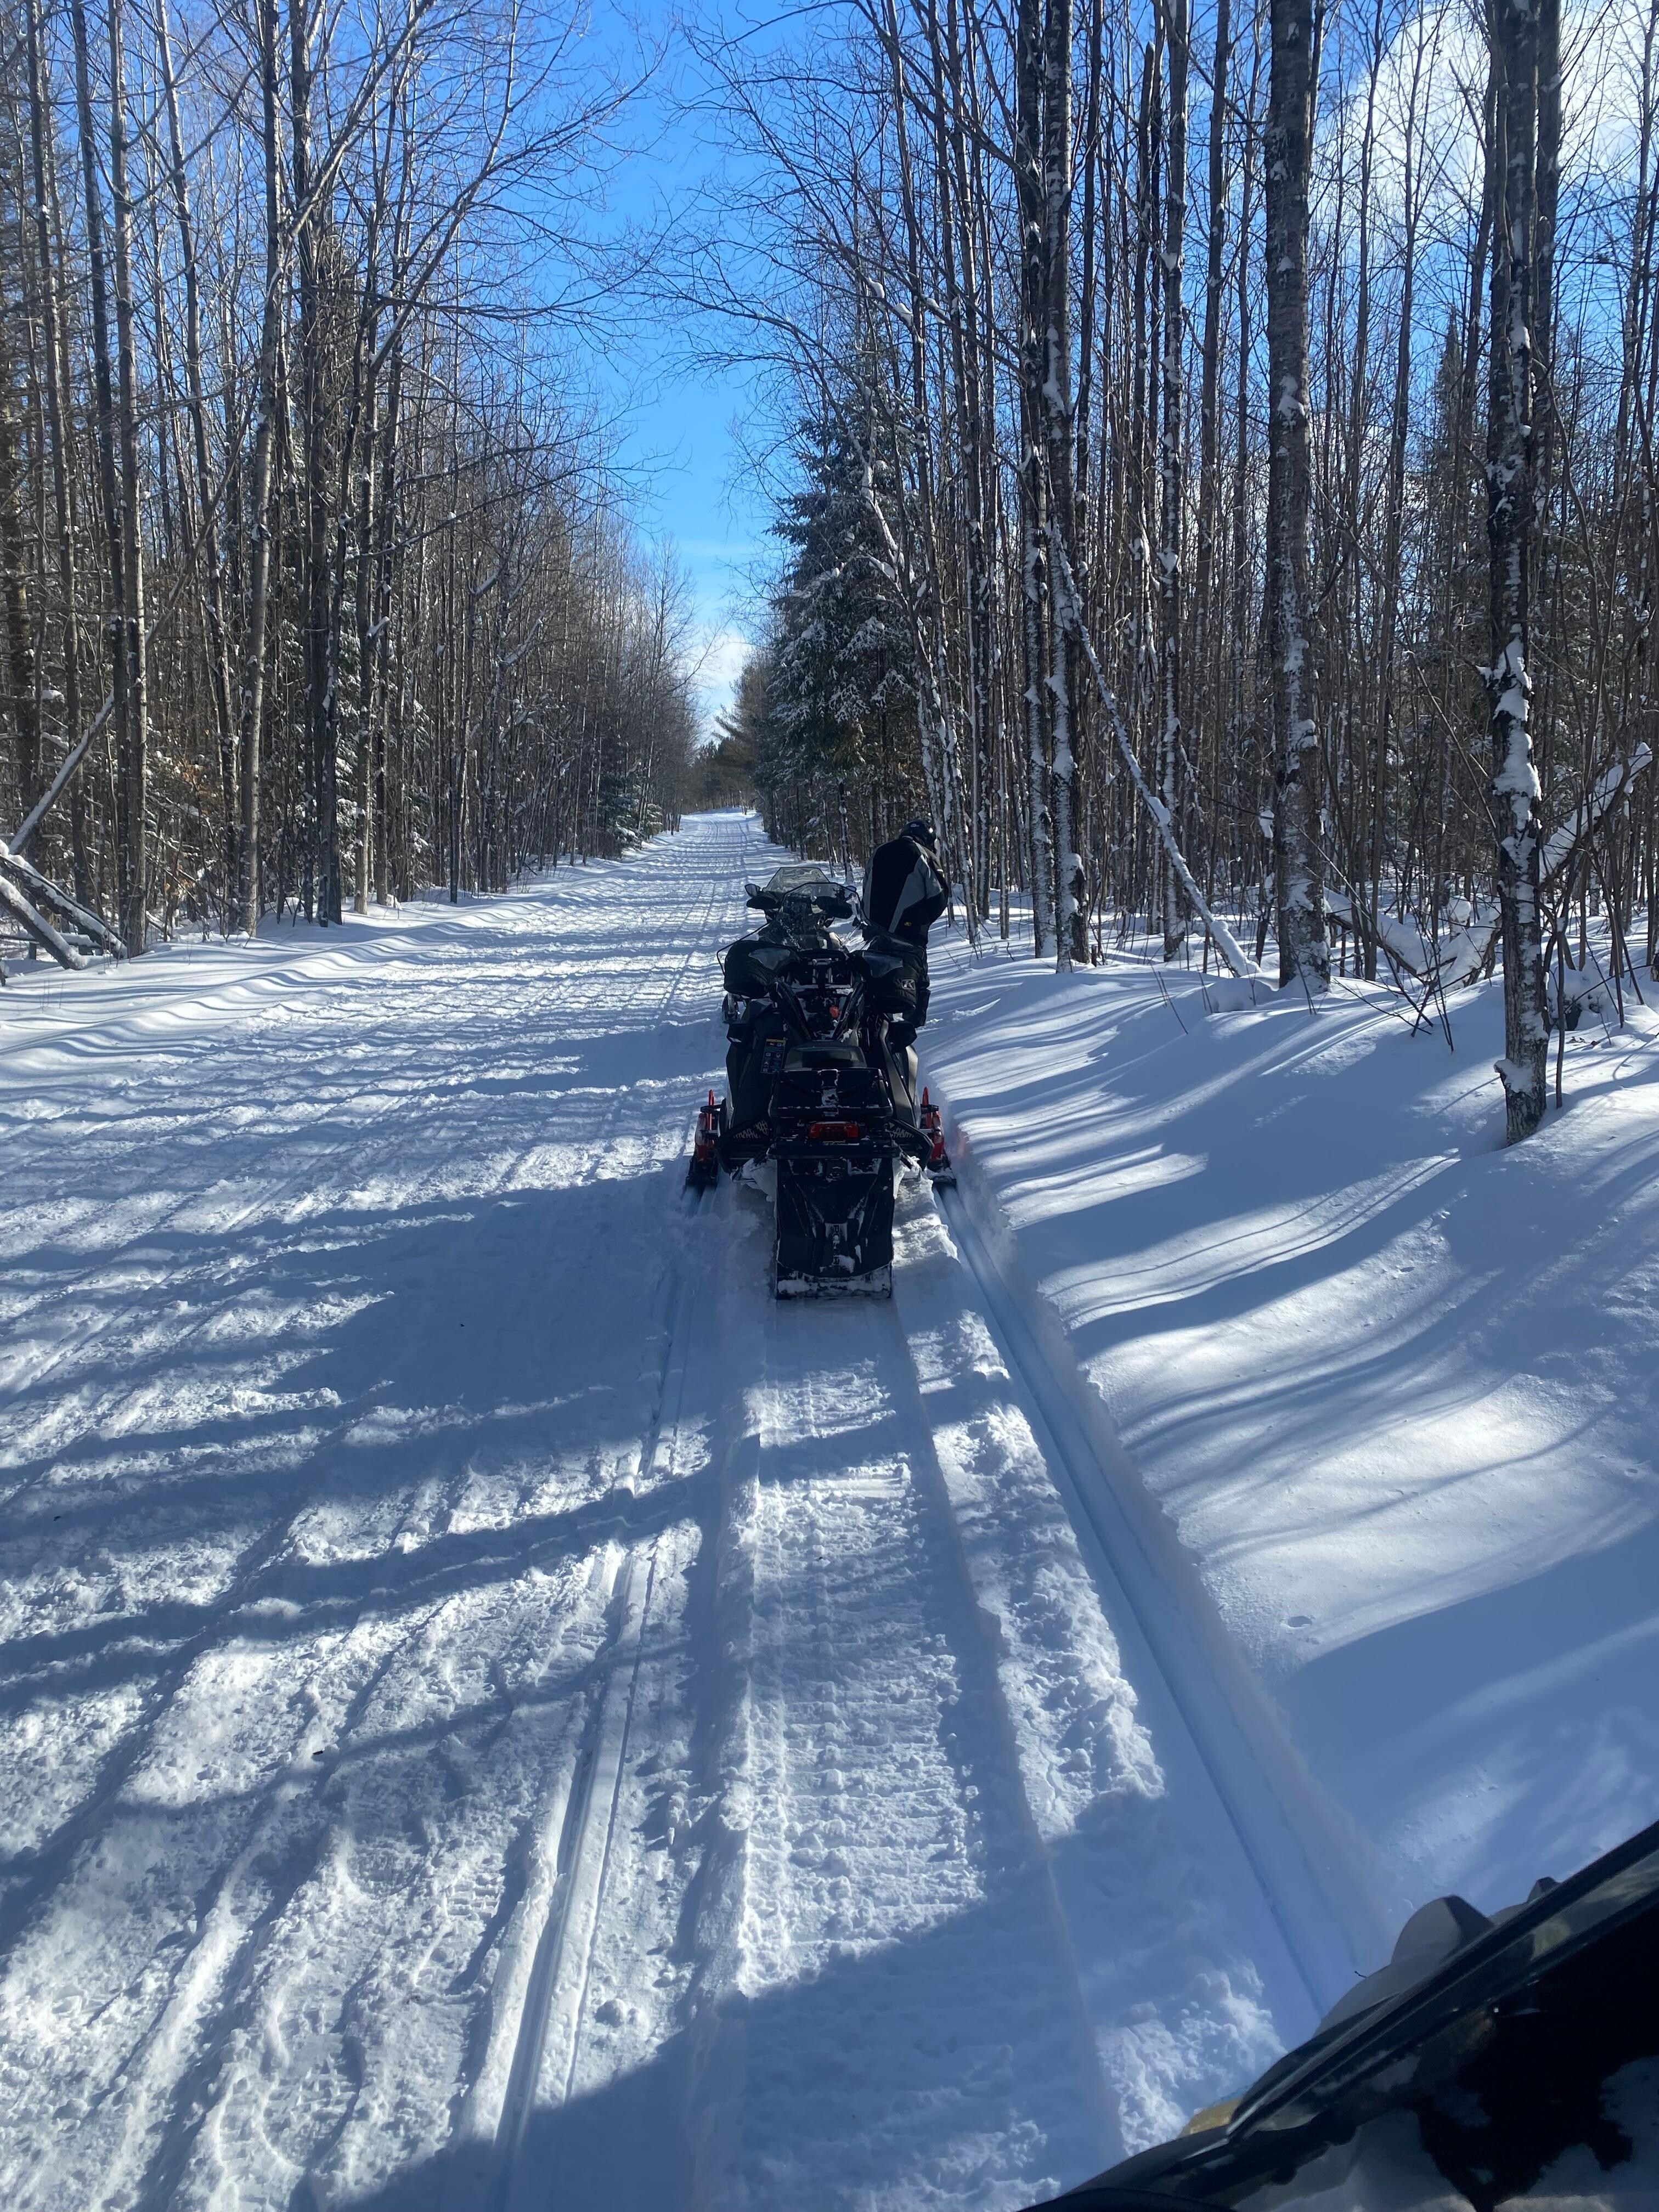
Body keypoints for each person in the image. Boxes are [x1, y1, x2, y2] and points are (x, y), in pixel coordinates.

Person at [862, 819, 948, 1042]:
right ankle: (914, 1039)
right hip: (910, 938)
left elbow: (866, 888)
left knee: (875, 982)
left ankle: (873, 1033)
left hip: (876, 935)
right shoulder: (923, 854)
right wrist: (920, 920)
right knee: (917, 986)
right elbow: (939, 896)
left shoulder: (879, 852)